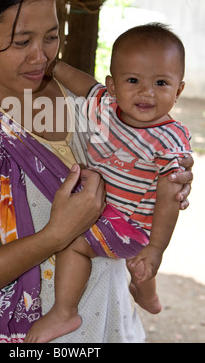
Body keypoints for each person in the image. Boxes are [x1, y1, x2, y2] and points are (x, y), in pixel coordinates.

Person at [0, 0, 193, 344]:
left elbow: (141, 160)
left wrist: (167, 177)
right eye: (21, 40)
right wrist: (55, 234)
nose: (40, 56)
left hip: (116, 327)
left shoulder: (92, 105)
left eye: (51, 37)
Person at [25, 23, 192, 343]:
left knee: (72, 243)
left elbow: (170, 197)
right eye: (133, 81)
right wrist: (56, 66)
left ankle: (64, 312)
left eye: (161, 82)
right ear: (113, 86)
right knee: (140, 263)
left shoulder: (169, 140)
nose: (146, 92)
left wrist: (156, 248)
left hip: (130, 225)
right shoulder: (106, 108)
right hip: (113, 216)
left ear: (178, 90)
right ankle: (146, 291)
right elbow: (85, 85)